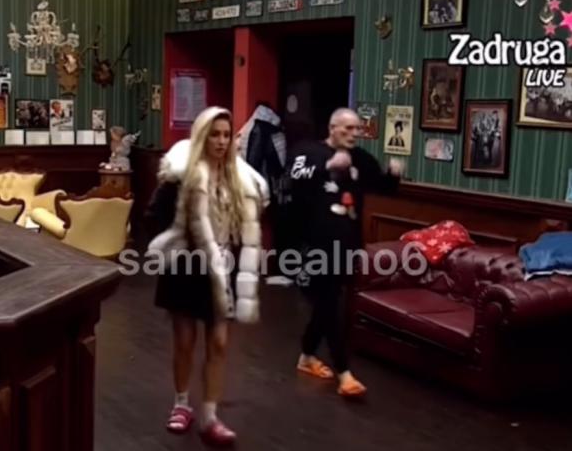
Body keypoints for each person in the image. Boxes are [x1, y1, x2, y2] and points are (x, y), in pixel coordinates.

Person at [146, 106, 268, 446]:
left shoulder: (239, 180)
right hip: (185, 271)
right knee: (185, 342)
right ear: (202, 137)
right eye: (214, 134)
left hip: (221, 272)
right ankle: (181, 403)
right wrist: (180, 241)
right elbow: (153, 216)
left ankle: (210, 416)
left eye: (227, 135)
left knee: (219, 343)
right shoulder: (181, 176)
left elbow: (244, 225)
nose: (221, 141)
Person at [286, 108, 403, 397]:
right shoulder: (308, 151)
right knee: (329, 305)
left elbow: (383, 187)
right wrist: (327, 167)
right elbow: (293, 180)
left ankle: (306, 356)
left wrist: (393, 175)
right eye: (347, 128)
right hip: (312, 247)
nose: (353, 134)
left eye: (357, 129)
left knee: (327, 304)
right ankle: (344, 373)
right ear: (332, 128)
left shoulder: (361, 159)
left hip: (347, 246)